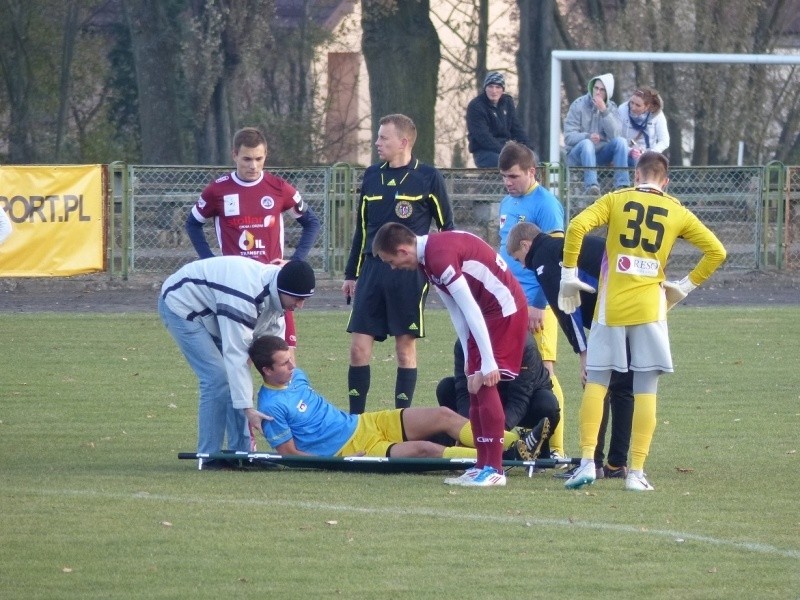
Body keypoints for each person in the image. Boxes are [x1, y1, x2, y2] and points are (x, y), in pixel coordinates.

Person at [557, 151, 726, 491]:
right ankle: (635, 473)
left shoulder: (617, 199)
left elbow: (576, 226)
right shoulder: (677, 210)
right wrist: (685, 285)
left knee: (598, 382)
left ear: (635, 176)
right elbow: (717, 252)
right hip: (651, 308)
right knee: (646, 388)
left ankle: (588, 462)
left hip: (612, 306)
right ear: (665, 181)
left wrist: (568, 273)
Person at [373, 222, 529, 487]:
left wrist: (487, 361)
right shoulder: (427, 260)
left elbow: (470, 307)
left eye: (391, 261)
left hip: (503, 311)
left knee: (486, 382)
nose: (392, 267)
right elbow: (455, 310)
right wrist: (470, 358)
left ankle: (495, 469)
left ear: (402, 251)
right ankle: (482, 464)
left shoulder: (439, 256)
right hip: (484, 315)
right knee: (474, 383)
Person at [250, 334, 525, 471]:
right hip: (354, 448)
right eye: (284, 363)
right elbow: (289, 455)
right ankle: (502, 459)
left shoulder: (296, 376)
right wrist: (340, 461)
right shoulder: (270, 406)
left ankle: (514, 443)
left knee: (443, 414)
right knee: (427, 449)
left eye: (290, 358)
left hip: (364, 422)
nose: (292, 364)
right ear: (267, 371)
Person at [342, 114, 454, 415]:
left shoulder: (428, 177)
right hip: (372, 271)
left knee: (404, 349)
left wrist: (444, 272)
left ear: (403, 142)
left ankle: (400, 420)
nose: (377, 143)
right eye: (378, 137)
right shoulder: (371, 176)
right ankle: (356, 422)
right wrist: (351, 273)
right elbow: (362, 229)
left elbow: (447, 230)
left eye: (383, 138)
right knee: (358, 348)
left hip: (408, 272)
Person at [506, 221, 634, 480]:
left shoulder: (543, 257)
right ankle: (616, 463)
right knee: (622, 388)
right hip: (633, 309)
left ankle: (592, 463)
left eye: (519, 259)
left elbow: (567, 309)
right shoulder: (558, 243)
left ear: (525, 245)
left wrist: (583, 353)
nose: (522, 266)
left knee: (596, 387)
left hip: (610, 316)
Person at [158, 257, 315, 466]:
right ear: (282, 289)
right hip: (182, 306)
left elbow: (271, 354)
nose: (300, 305)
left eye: (304, 299)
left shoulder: (277, 300)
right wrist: (249, 409)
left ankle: (242, 456)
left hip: (214, 310)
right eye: (297, 298)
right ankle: (208, 457)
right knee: (218, 378)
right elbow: (237, 355)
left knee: (236, 376)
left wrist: (290, 391)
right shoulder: (244, 296)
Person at [185, 126, 321, 351]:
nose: (253, 165)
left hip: (274, 285)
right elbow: (192, 223)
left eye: (259, 158)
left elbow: (312, 223)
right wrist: (209, 262)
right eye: (247, 159)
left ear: (265, 155)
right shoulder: (217, 191)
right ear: (234, 155)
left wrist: (295, 262)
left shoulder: (278, 188)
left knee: (283, 358)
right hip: (234, 286)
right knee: (236, 356)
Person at [496, 141, 569, 464]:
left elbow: (554, 259)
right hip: (507, 302)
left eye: (513, 176)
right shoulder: (506, 203)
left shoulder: (547, 205)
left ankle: (557, 448)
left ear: (531, 172)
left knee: (545, 375)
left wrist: (539, 303)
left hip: (536, 303)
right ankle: (528, 442)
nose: (508, 183)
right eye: (504, 177)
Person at [436, 335, 558, 462]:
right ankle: (459, 444)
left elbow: (520, 399)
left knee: (547, 404)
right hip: (487, 395)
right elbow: (464, 392)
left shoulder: (524, 344)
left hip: (527, 398)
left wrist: (498, 433)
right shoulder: (464, 343)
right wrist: (468, 429)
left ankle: (539, 449)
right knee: (446, 388)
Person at [563, 73, 631, 195]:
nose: (598, 93)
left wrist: (604, 111)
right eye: (596, 88)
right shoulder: (578, 105)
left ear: (608, 93)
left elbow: (616, 135)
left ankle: (622, 185)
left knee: (621, 142)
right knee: (587, 143)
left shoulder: (612, 108)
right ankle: (592, 186)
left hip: (600, 155)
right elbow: (568, 137)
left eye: (602, 90)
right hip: (578, 155)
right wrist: (587, 136)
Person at [466, 71, 533, 168]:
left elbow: (516, 129)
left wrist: (528, 149)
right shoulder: (476, 106)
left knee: (533, 159)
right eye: (490, 87)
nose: (494, 91)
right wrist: (505, 151)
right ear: (485, 88)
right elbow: (483, 137)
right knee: (508, 163)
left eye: (498, 87)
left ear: (503, 89)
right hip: (485, 152)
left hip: (507, 149)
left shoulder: (507, 102)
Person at [618, 87, 670, 166]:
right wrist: (630, 151)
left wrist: (651, 153)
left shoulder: (658, 115)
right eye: (631, 102)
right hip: (626, 152)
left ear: (647, 107)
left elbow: (664, 141)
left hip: (648, 155)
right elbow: (616, 135)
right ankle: (623, 179)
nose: (633, 107)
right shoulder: (622, 109)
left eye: (638, 105)